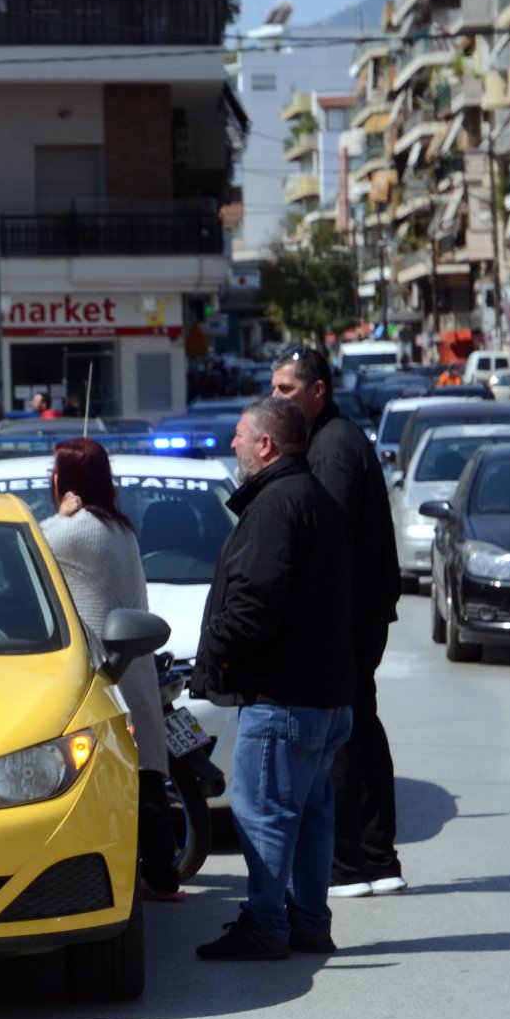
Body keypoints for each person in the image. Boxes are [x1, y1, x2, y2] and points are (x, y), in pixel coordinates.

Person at [192, 396, 354, 960]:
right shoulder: (314, 498)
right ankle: (308, 922)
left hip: (284, 698)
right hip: (323, 696)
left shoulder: (276, 504)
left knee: (262, 814)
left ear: (266, 444)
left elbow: (253, 607)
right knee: (307, 818)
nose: (232, 444)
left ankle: (266, 924)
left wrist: (213, 651)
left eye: (239, 435)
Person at [270, 346, 406, 898]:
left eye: (286, 389)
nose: (275, 397)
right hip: (360, 612)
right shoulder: (333, 441)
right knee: (360, 727)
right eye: (274, 388)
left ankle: (351, 864)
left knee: (341, 736)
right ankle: (377, 859)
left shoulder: (332, 449)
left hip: (349, 617)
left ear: (317, 391)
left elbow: (328, 541)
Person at [37, 438, 182, 898]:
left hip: (107, 672)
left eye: (55, 470)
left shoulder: (76, 529)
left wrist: (60, 512)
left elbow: (27, 541)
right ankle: (162, 875)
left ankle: (144, 877)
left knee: (129, 780)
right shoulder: (118, 526)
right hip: (133, 666)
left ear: (66, 479)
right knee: (145, 779)